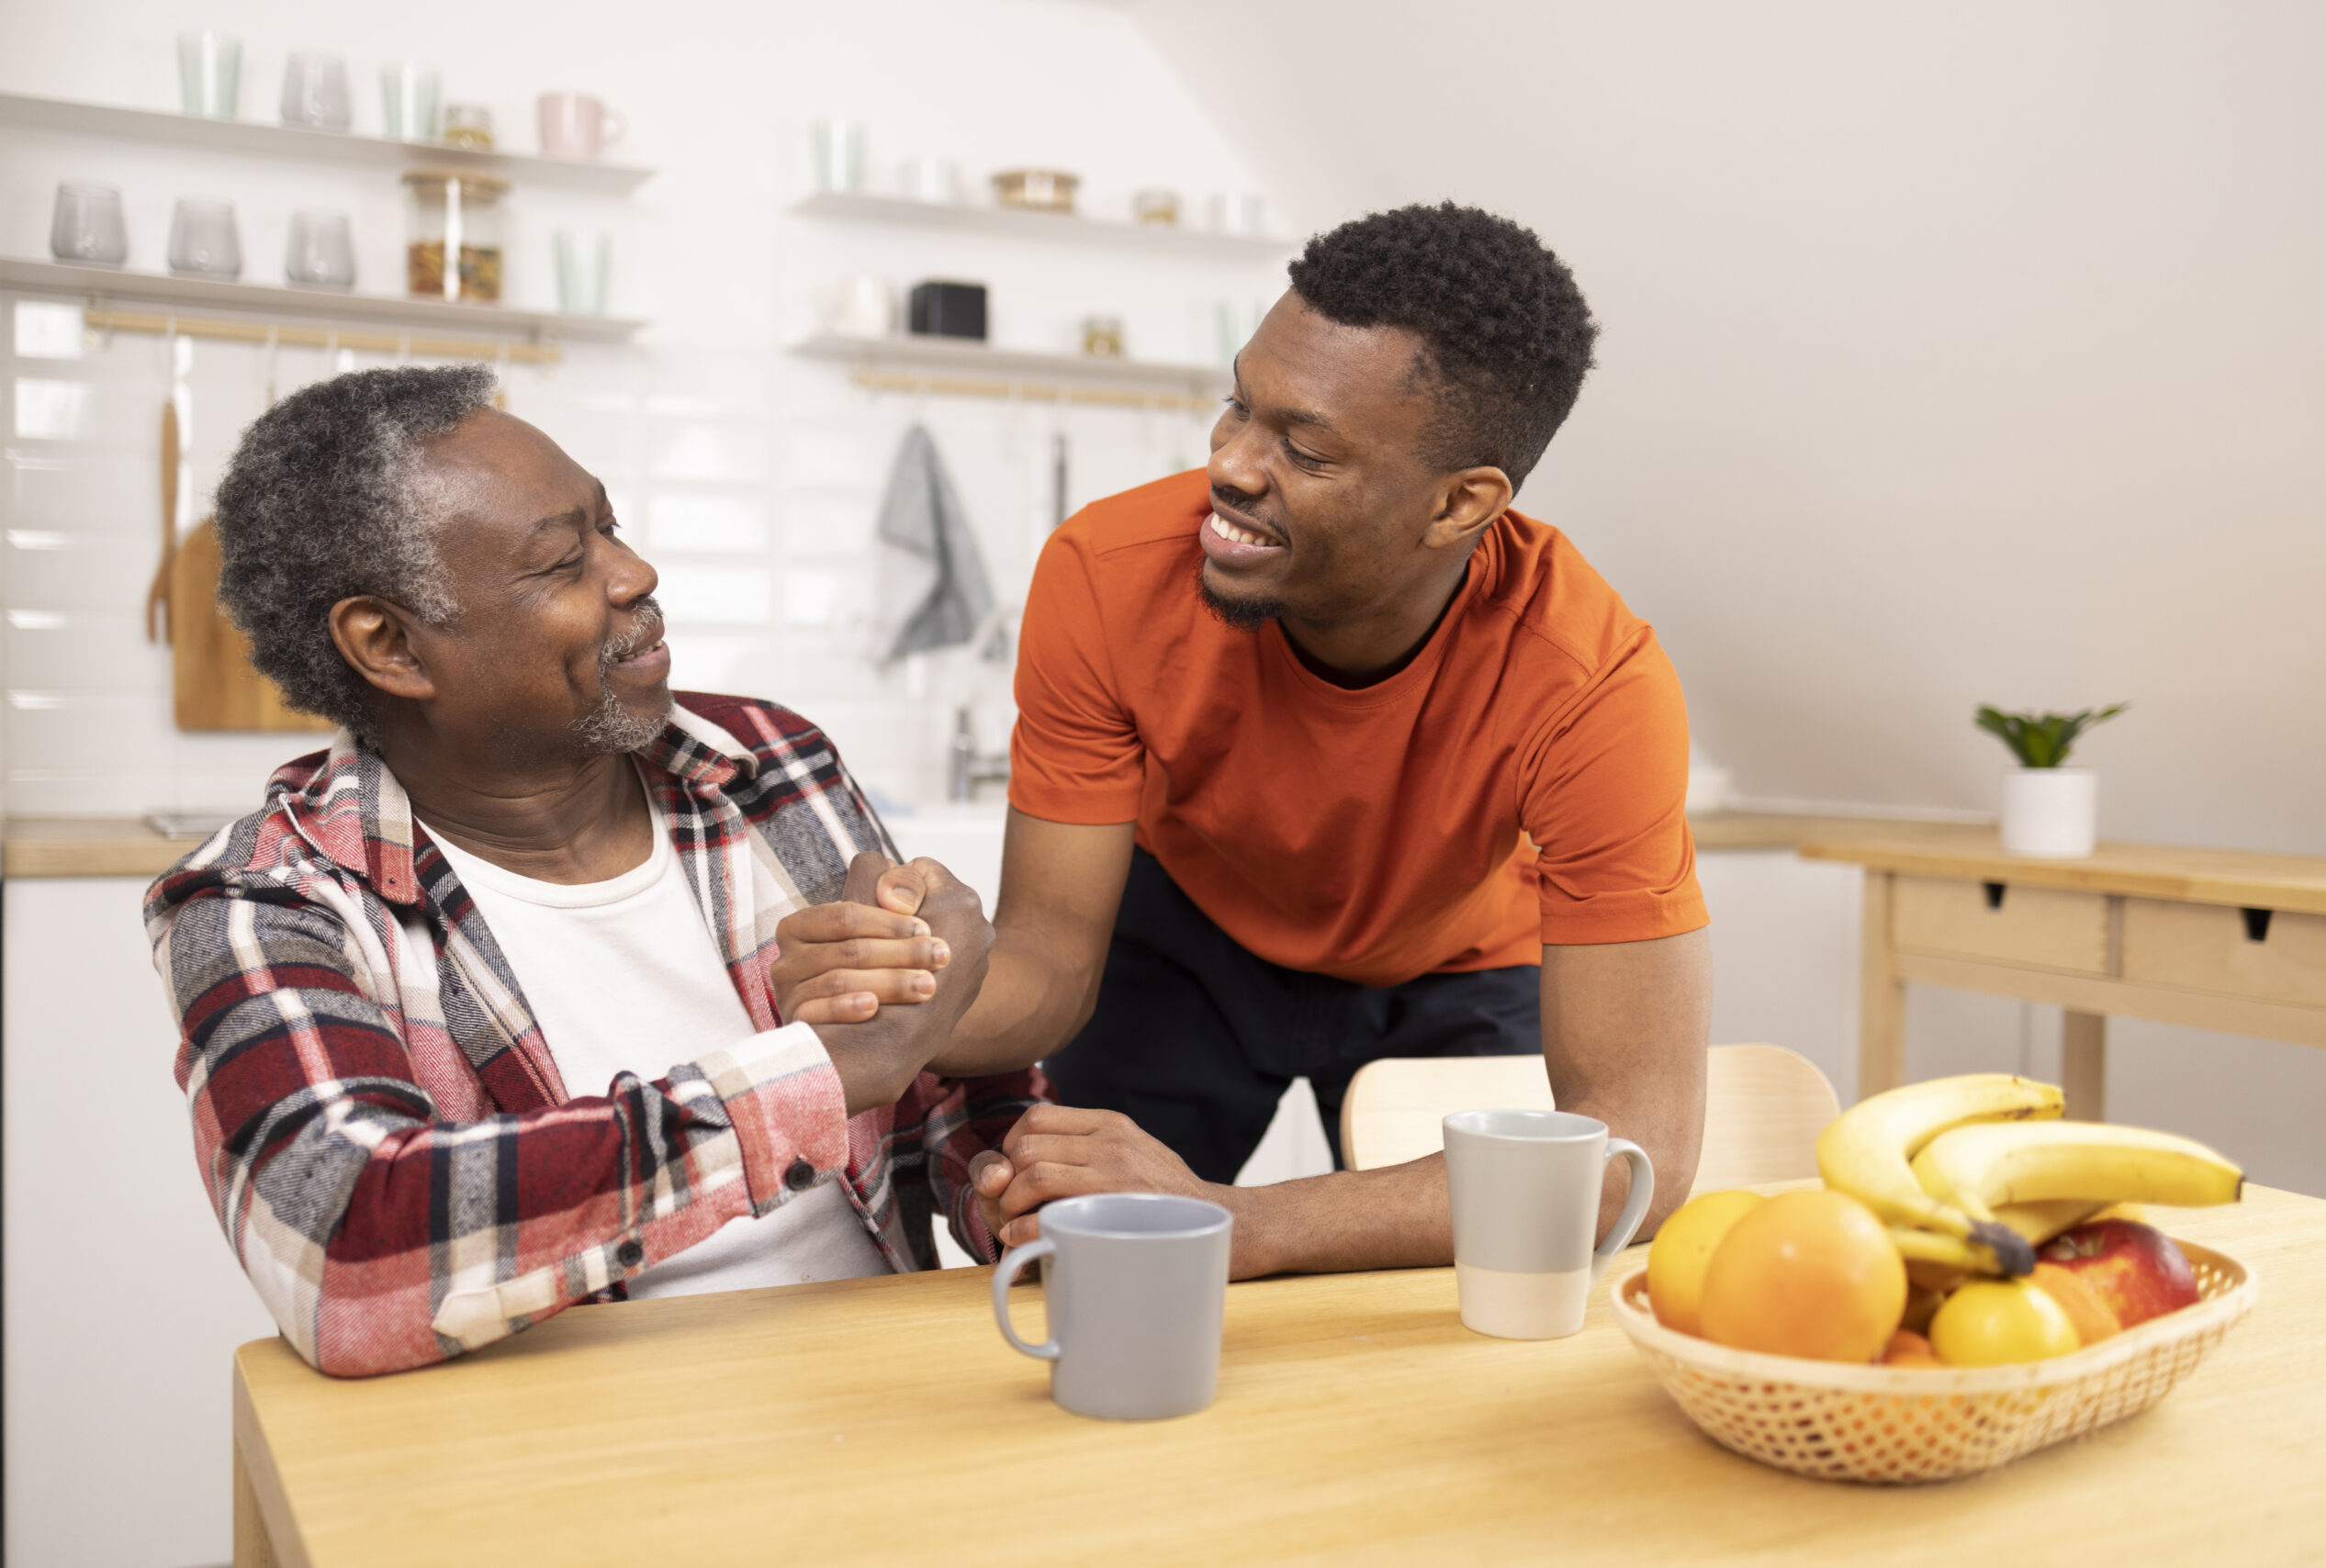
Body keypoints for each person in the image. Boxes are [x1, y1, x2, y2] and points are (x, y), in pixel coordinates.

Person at [771, 202, 1713, 1278]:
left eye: (1302, 449)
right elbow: (1046, 969)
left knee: (1462, 1296)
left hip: (1455, 960)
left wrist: (1238, 1221)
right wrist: (917, 994)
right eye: (1237, 406)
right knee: (1078, 1262)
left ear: (1461, 504)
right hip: (1184, 942)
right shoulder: (1105, 572)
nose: (1230, 465)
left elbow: (1635, 1158)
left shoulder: (1591, 683)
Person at [147, 364, 1028, 1377]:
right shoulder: (266, 899)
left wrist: (1017, 1180)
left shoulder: (770, 763)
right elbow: (349, 1251)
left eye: (609, 526)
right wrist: (814, 1078)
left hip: (883, 1391)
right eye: (564, 561)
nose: (634, 572)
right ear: (391, 645)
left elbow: (943, 1083)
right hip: (565, 1448)